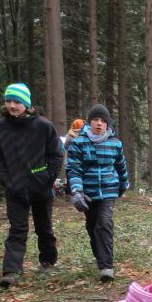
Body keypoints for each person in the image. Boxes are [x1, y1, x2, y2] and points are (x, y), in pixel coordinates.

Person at [0, 82, 64, 288]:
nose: (12, 105)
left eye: (17, 102)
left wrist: (46, 178)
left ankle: (48, 261)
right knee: (17, 229)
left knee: (44, 228)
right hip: (14, 188)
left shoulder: (43, 126)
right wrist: (5, 180)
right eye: (9, 101)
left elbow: (56, 155)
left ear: (26, 104)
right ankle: (10, 271)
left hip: (41, 187)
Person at [65, 104, 129, 282]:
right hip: (88, 192)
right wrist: (76, 191)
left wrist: (123, 184)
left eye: (103, 121)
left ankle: (106, 266)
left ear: (108, 124)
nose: (99, 124)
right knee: (92, 227)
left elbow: (121, 166)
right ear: (89, 122)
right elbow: (74, 170)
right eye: (95, 120)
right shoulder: (78, 143)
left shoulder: (115, 144)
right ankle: (100, 257)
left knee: (104, 223)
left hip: (109, 190)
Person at [53, 118, 85, 197]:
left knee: (70, 177)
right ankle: (78, 193)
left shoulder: (70, 135)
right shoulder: (84, 135)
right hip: (81, 160)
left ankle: (70, 194)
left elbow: (65, 147)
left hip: (69, 160)